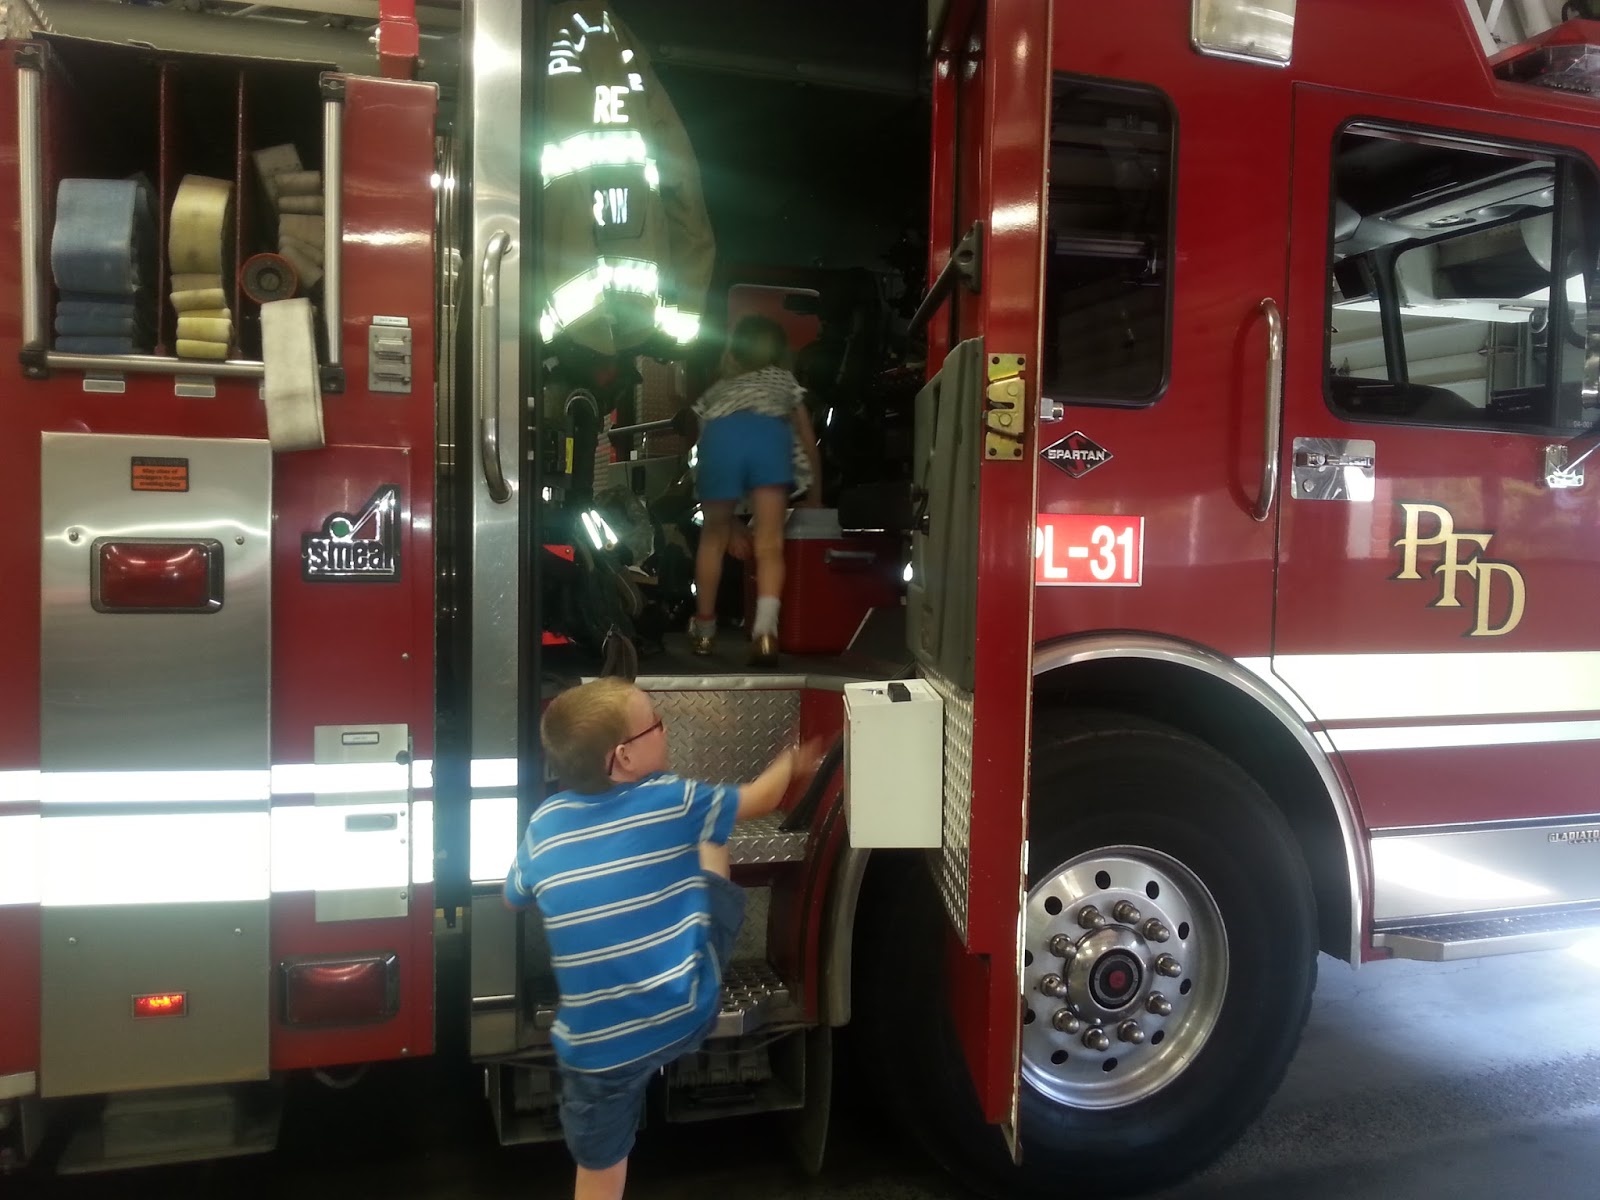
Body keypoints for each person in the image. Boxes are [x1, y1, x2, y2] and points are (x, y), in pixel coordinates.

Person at [504, 677, 823, 1200]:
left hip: (592, 1050)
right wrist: (794, 757)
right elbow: (764, 798)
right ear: (624, 757)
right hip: (682, 1011)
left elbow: (514, 897)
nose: (665, 728)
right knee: (710, 832)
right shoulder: (675, 798)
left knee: (600, 1168)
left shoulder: (544, 822)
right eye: (657, 722)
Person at [689, 314, 822, 665]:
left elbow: (701, 447)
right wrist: (815, 495)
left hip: (720, 438)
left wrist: (730, 523)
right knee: (769, 544)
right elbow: (808, 441)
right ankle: (765, 633)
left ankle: (704, 632)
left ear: (734, 351)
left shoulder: (717, 391)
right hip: (768, 436)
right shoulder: (784, 381)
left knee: (713, 539)